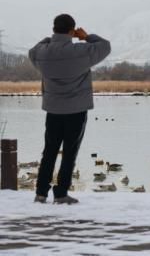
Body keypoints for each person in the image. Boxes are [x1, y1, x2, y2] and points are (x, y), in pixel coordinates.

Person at [28, 14, 111, 204]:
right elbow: (105, 46)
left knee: (49, 151)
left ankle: (41, 193)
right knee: (69, 152)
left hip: (53, 109)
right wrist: (86, 36)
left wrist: (51, 40)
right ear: (72, 30)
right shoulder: (80, 51)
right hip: (76, 109)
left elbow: (32, 51)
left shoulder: (43, 52)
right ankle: (61, 193)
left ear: (54, 28)